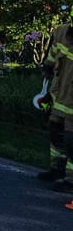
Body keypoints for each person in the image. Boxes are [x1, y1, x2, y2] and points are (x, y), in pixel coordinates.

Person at [40, 17, 73, 193]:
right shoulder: (61, 32)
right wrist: (47, 68)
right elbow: (53, 54)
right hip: (59, 95)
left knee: (70, 139)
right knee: (54, 130)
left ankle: (70, 180)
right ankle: (57, 168)